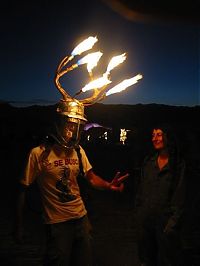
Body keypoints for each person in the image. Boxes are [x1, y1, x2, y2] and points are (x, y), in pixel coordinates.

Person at [14, 99, 129, 266]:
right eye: (69, 124)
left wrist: (108, 185)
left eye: (77, 126)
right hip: (56, 224)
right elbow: (22, 190)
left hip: (81, 219)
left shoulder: (77, 150)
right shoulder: (38, 153)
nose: (72, 130)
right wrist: (18, 225)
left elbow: (91, 177)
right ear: (58, 123)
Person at [134, 123, 186, 266]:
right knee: (146, 259)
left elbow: (180, 195)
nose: (155, 138)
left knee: (166, 260)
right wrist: (139, 214)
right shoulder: (148, 162)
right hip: (145, 222)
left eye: (159, 134)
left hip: (165, 225)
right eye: (153, 135)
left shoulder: (178, 165)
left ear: (168, 137)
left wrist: (172, 223)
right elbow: (141, 189)